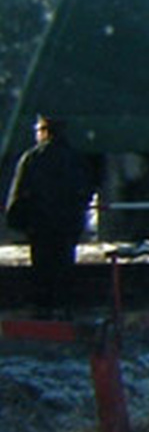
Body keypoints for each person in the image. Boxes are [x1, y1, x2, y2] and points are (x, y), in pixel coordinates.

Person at [7, 115, 95, 313]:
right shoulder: (75, 158)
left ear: (45, 131)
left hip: (40, 226)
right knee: (64, 265)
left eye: (38, 130)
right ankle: (64, 308)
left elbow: (19, 191)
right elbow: (87, 190)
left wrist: (18, 221)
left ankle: (43, 310)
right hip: (67, 225)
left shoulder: (32, 158)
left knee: (42, 269)